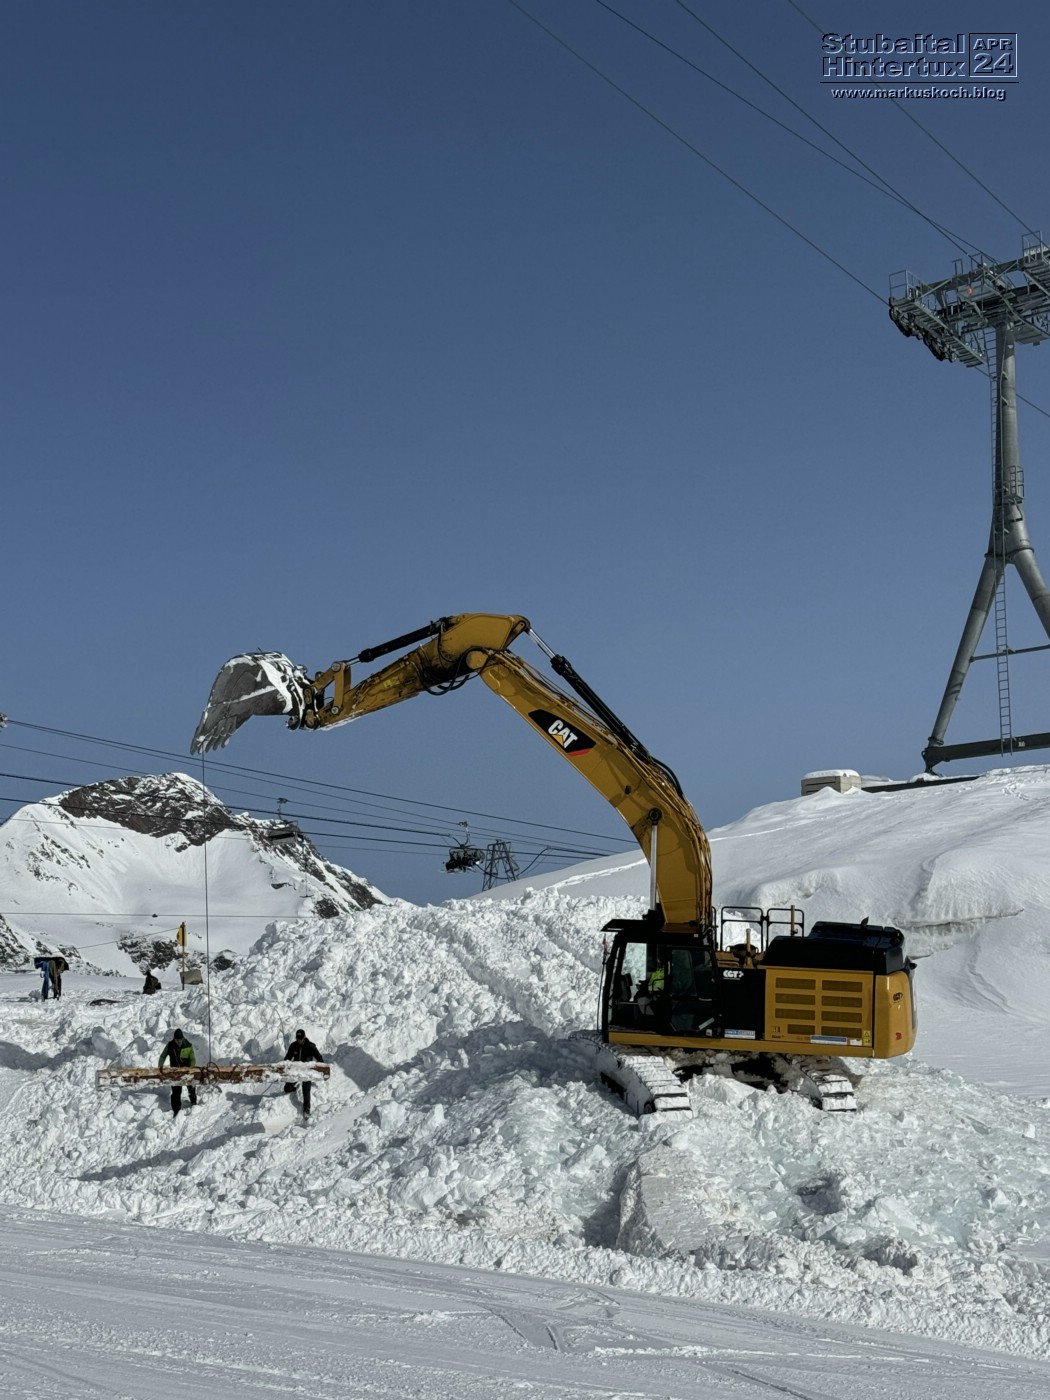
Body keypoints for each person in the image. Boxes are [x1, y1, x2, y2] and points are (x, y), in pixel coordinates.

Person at [283, 1028, 324, 1117]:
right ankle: (294, 1089)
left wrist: (317, 1069)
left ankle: (306, 1110)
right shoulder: (293, 1046)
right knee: (287, 1088)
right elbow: (287, 1058)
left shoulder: (311, 1046)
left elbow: (320, 1059)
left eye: (301, 1039)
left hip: (306, 1072)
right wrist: (284, 1065)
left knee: (306, 1090)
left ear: (304, 1037)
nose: (299, 1040)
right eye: (298, 1039)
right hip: (296, 1071)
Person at [158, 1029, 198, 1116]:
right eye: (177, 1040)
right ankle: (176, 1111)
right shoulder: (170, 1045)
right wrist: (160, 1066)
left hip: (187, 1071)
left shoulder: (188, 1046)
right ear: (174, 1039)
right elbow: (163, 1056)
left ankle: (194, 1103)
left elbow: (192, 1059)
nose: (178, 1042)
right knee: (176, 1092)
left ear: (183, 1038)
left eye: (180, 1040)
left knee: (191, 1087)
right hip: (175, 1072)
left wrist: (190, 1069)